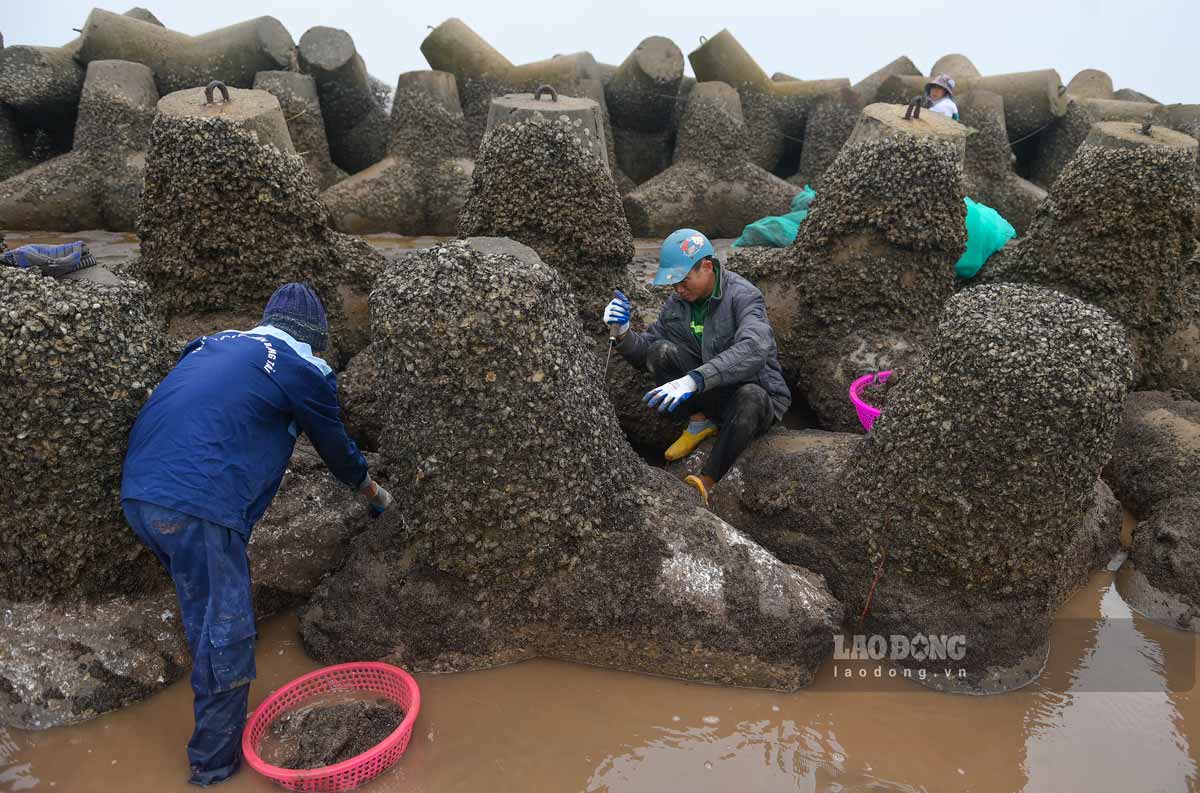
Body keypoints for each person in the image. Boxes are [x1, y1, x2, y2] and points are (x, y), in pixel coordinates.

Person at [120, 283, 391, 787]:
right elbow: (335, 447)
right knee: (227, 634)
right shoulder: (302, 367)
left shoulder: (213, 342)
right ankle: (214, 767)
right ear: (314, 336)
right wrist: (372, 492)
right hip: (198, 505)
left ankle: (213, 696)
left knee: (207, 610)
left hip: (139, 496)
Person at [603, 229, 790, 506]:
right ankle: (699, 422)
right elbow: (647, 352)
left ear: (707, 267)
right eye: (673, 283)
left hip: (753, 395)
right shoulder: (678, 303)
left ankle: (707, 480)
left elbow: (755, 347)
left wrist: (694, 380)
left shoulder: (743, 296)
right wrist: (623, 332)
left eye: (683, 280)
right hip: (712, 391)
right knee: (661, 351)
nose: (678, 289)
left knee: (751, 396)